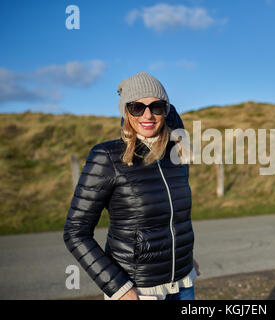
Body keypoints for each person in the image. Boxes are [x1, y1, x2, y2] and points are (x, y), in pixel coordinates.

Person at [63, 71, 199, 300]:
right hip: (138, 291)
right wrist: (118, 288)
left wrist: (183, 257)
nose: (148, 114)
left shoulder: (176, 155)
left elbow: (176, 219)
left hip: (183, 284)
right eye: (136, 107)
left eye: (157, 106)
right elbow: (75, 232)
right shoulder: (106, 156)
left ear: (166, 111)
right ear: (126, 111)